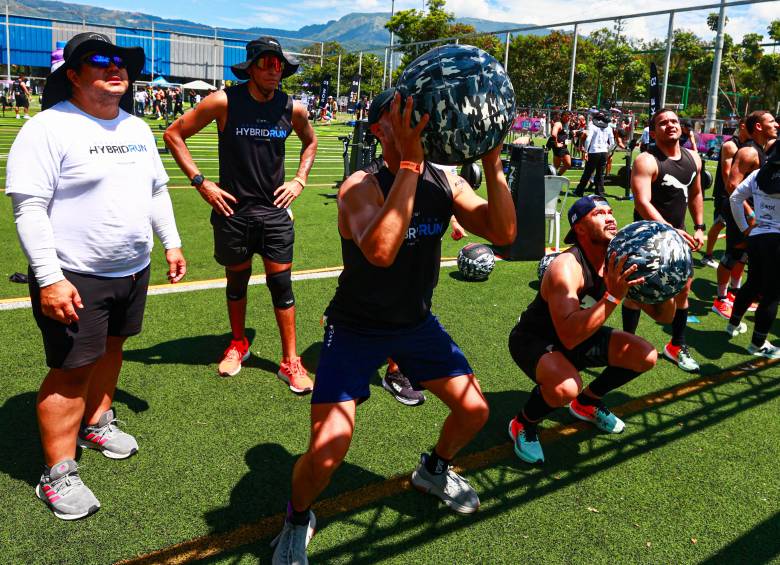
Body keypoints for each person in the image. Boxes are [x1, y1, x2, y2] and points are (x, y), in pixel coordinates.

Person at [270, 89, 516, 563]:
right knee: (328, 450)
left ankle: (434, 469)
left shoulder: (446, 181)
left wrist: (491, 160)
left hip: (415, 325)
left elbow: (503, 232)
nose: (414, 118)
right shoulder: (359, 186)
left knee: (474, 411)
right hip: (355, 328)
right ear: (378, 129)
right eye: (399, 113)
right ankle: (297, 517)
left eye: (415, 110)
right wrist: (409, 166)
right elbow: (381, 252)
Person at [6, 32, 186, 520]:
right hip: (75, 276)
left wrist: (170, 243)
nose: (114, 67)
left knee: (112, 349)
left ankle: (97, 421)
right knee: (71, 372)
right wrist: (49, 278)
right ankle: (57, 473)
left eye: (120, 60)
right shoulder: (48, 127)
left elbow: (156, 191)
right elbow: (29, 208)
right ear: (73, 75)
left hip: (132, 269)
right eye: (99, 60)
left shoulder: (137, 126)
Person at [164, 36, 318, 389]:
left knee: (281, 285)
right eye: (266, 63)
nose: (274, 70)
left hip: (274, 213)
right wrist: (201, 182)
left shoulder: (292, 108)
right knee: (236, 281)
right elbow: (173, 135)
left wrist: (299, 179)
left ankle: (290, 361)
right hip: (232, 212)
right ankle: (238, 343)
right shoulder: (224, 101)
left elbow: (310, 142)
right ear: (250, 68)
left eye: (279, 64)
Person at [508, 195, 669, 464]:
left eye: (610, 211)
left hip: (583, 334)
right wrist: (613, 297)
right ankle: (523, 422)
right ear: (580, 228)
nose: (610, 217)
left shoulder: (620, 259)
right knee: (566, 387)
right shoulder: (566, 267)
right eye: (599, 214)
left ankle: (588, 402)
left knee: (645, 355)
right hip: (535, 339)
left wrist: (669, 282)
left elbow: (663, 316)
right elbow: (569, 336)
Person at [624, 108, 705, 373]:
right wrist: (669, 230)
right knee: (636, 292)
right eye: (663, 123)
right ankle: (627, 345)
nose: (670, 125)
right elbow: (642, 201)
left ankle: (676, 345)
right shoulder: (647, 160)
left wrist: (700, 227)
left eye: (674, 121)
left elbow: (696, 193)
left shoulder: (694, 158)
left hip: (678, 235)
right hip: (646, 237)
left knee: (684, 290)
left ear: (681, 127)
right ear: (653, 131)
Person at [712, 111, 778, 319]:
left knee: (744, 255)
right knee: (733, 254)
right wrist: (750, 213)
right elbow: (732, 185)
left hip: (751, 213)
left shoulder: (764, 150)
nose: (776, 125)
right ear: (758, 126)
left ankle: (734, 293)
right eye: (771, 121)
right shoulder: (749, 151)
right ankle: (720, 299)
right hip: (739, 210)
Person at [725, 143, 780, 358]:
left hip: (756, 238)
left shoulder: (759, 174)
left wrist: (745, 229)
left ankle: (732, 325)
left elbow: (735, 198)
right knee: (772, 294)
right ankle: (758, 344)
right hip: (776, 241)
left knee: (753, 284)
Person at [702, 119, 748, 270]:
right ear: (742, 126)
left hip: (741, 194)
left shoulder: (748, 146)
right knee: (720, 223)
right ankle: (707, 256)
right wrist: (734, 195)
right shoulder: (731, 145)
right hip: (726, 194)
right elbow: (726, 175)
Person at [574, 112, 614, 197]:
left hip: (594, 151)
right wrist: (608, 151)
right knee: (600, 174)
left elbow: (588, 140)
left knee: (587, 173)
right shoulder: (609, 127)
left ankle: (579, 191)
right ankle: (599, 193)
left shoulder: (592, 126)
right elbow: (612, 143)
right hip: (604, 152)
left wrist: (586, 151)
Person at [547, 111, 571, 175]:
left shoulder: (565, 124)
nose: (569, 119)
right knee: (566, 164)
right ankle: (554, 176)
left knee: (557, 166)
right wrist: (556, 143)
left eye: (570, 117)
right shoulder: (558, 123)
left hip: (563, 147)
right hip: (559, 147)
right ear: (563, 116)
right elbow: (553, 134)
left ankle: (553, 176)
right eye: (568, 117)